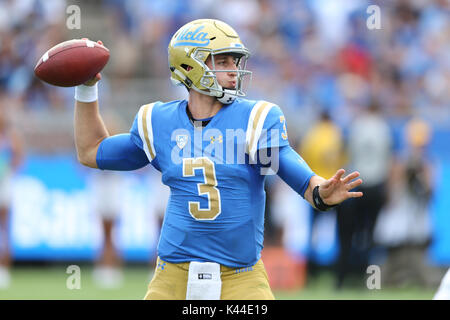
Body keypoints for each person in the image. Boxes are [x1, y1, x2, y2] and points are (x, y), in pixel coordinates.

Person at [72, 19, 363, 300]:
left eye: (235, 62)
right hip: (172, 275)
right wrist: (86, 88)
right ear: (189, 66)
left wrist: (320, 190)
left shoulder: (256, 119)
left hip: (240, 276)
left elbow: (296, 174)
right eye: (222, 62)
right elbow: (92, 151)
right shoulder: (158, 121)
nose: (234, 70)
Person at [0, 109, 23, 289]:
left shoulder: (10, 136)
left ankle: (4, 268)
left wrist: (7, 172)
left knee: (4, 228)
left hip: (4, 184)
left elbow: (18, 159)